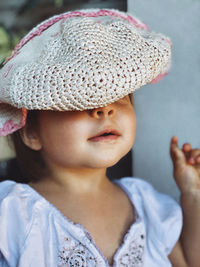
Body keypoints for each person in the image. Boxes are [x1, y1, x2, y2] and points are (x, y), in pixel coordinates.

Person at [0, 8, 199, 267]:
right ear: (31, 132)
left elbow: (188, 261)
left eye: (119, 97)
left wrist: (193, 194)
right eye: (78, 101)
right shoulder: (13, 214)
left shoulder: (147, 204)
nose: (105, 109)